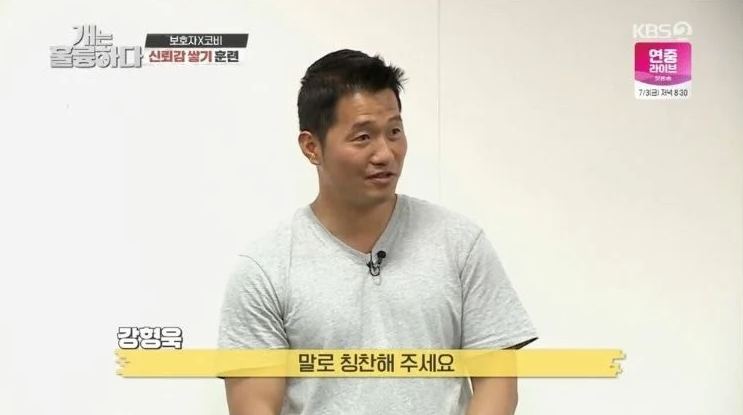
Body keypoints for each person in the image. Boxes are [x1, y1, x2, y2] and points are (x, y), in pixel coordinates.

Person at [217, 49, 538, 415]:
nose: (385, 153)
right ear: (311, 147)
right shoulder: (265, 268)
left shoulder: (460, 243)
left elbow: (497, 387)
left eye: (394, 132)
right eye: (363, 137)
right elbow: (255, 406)